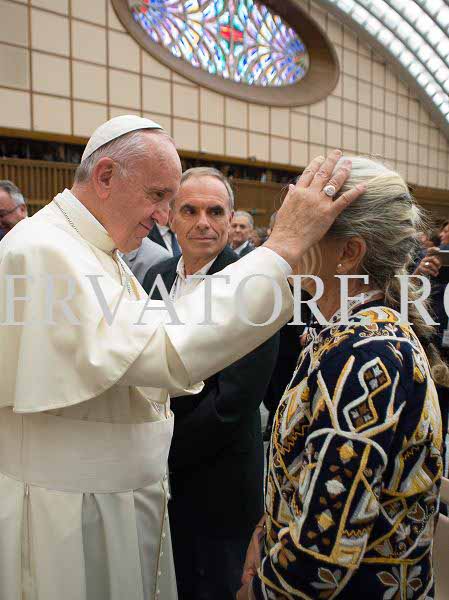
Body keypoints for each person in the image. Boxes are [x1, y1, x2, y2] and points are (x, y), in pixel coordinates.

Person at [0, 110, 363, 600]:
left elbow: (159, 333)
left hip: (124, 502)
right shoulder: (45, 249)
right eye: (160, 197)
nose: (164, 217)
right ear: (105, 176)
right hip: (70, 513)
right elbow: (160, 351)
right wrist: (281, 247)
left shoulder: (95, 250)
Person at [238, 157, 445, 600]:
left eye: (298, 228)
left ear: (348, 252)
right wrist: (264, 535)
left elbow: (323, 558)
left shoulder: (366, 356)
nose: (281, 243)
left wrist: (256, 590)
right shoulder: (344, 336)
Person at [143, 167, 279, 600]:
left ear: (231, 216)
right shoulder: (155, 276)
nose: (204, 221)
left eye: (215, 211)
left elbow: (233, 403)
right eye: (191, 209)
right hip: (155, 482)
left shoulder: (256, 287)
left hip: (217, 484)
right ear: (170, 217)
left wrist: (158, 449)